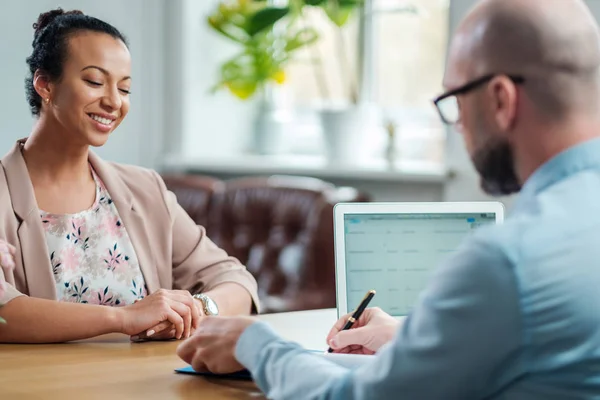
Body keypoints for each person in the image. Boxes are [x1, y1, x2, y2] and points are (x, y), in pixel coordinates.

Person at [176, 0, 600, 398]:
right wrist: (407, 337)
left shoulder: (509, 262)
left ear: (501, 100)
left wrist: (257, 343)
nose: (458, 128)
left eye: (454, 101)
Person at [0, 9, 259, 344]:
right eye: (94, 82)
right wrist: (124, 318)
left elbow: (235, 279)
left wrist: (199, 308)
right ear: (45, 85)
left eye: (124, 89)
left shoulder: (145, 189)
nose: (113, 102)